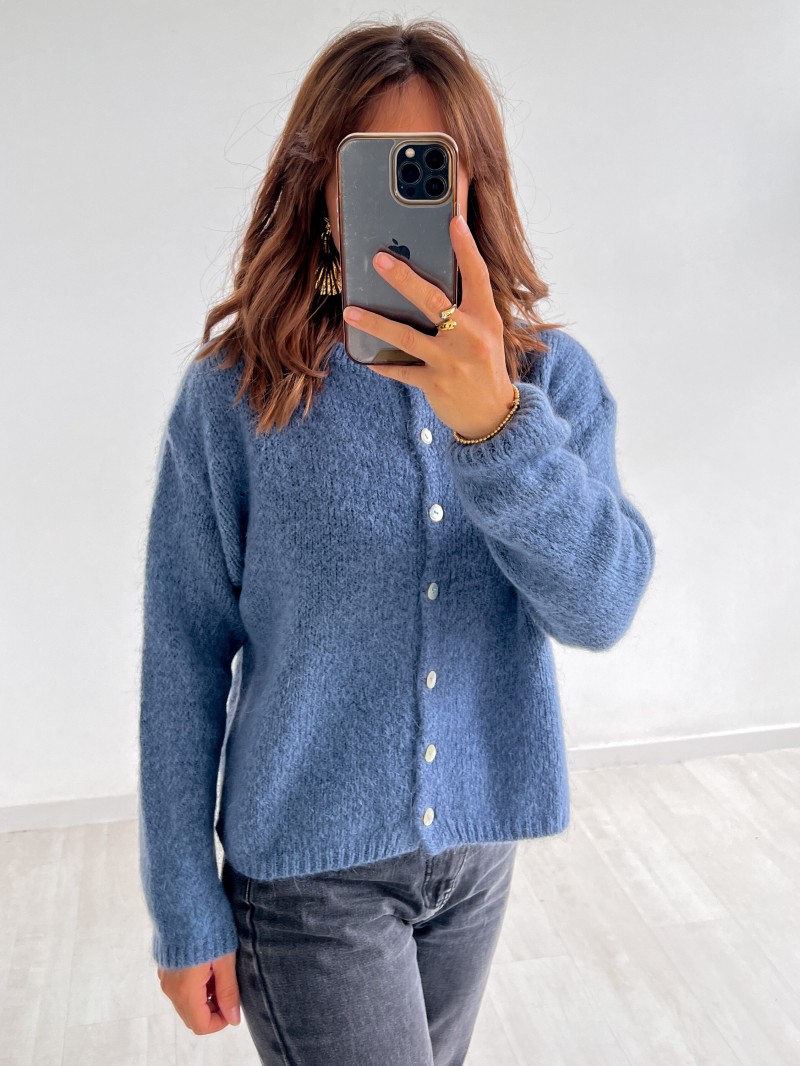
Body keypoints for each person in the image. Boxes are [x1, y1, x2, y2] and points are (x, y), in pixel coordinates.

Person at [137, 16, 656, 1066]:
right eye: (374, 168)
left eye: (431, 168)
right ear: (320, 187)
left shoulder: (546, 382)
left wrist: (494, 429)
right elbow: (182, 655)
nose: (405, 198)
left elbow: (600, 607)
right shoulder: (238, 396)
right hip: (306, 877)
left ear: (477, 185)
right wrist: (183, 904)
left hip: (475, 859)